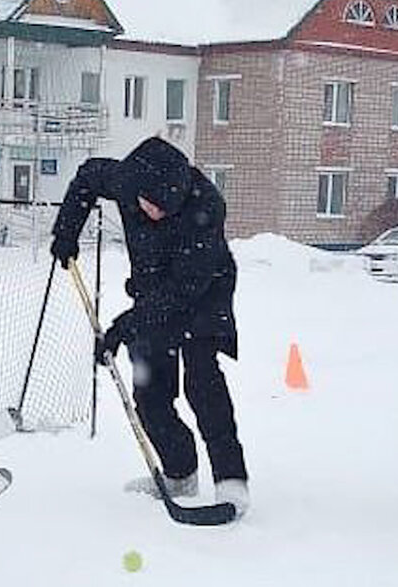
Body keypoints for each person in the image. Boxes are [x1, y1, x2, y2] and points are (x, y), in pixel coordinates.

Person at [50, 136, 250, 518]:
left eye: (164, 208)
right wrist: (66, 231)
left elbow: (185, 288)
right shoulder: (126, 180)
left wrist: (123, 327)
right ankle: (179, 473)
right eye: (149, 204)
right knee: (149, 390)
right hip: (153, 289)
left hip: (204, 291)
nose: (154, 213)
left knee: (202, 382)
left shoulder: (206, 205)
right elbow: (87, 178)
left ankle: (231, 481)